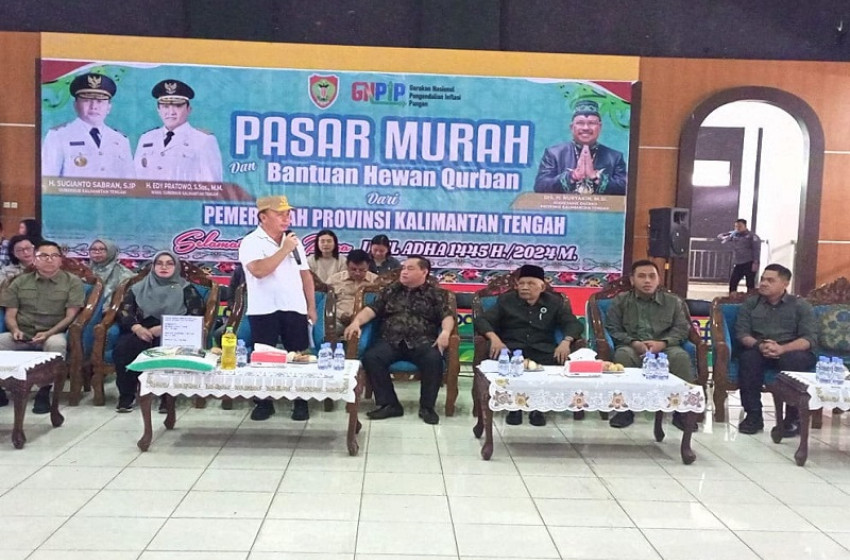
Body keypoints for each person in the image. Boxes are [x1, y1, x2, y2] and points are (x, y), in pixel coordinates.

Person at [344, 256, 455, 425]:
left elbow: (447, 316)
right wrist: (356, 322)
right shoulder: (391, 290)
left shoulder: (435, 294)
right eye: (403, 268)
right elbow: (372, 309)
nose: (404, 272)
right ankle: (390, 404)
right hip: (391, 340)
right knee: (372, 357)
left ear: (424, 272)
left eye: (410, 268)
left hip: (422, 341)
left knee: (433, 359)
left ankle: (427, 407)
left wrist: (445, 332)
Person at [475, 264, 584, 426]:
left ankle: (538, 408)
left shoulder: (554, 302)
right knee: (506, 364)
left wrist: (566, 341)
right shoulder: (506, 300)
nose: (524, 287)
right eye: (521, 283)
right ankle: (514, 407)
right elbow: (482, 320)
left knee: (552, 364)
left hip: (543, 349)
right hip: (512, 349)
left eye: (530, 283)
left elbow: (573, 324)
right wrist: (494, 338)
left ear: (542, 287)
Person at [239, 195, 317, 421]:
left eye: (288, 214)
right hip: (263, 309)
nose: (286, 218)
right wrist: (284, 249)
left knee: (299, 356)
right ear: (263, 217)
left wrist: (311, 306)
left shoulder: (293, 242)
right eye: (280, 214)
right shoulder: (251, 242)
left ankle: (300, 401)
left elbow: (305, 275)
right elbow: (259, 271)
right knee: (264, 358)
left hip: (294, 306)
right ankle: (264, 402)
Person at [112, 250, 205, 412]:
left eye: (169, 264)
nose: (164, 267)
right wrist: (137, 328)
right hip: (142, 329)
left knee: (166, 349)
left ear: (176, 267)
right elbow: (124, 311)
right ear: (153, 267)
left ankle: (167, 398)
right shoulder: (138, 288)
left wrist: (165, 328)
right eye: (159, 263)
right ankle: (126, 396)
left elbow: (196, 314)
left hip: (174, 331)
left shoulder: (186, 289)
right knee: (124, 347)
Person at [604, 259, 693, 428]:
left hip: (665, 348)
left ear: (659, 279)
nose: (647, 281)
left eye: (652, 276)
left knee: (680, 356)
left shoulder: (673, 302)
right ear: (632, 280)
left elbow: (682, 329)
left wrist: (663, 343)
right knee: (623, 355)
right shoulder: (621, 301)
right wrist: (634, 342)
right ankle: (624, 410)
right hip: (632, 347)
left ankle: (683, 412)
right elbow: (613, 328)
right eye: (642, 276)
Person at [0, 240, 84, 413]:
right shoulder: (19, 282)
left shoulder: (73, 282)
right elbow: (10, 314)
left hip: (53, 332)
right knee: (2, 341)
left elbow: (70, 316)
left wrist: (48, 333)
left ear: (60, 259)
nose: (49, 259)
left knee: (56, 345)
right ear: (35, 259)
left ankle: (44, 392)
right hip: (22, 333)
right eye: (43, 256)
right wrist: (15, 330)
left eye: (54, 256)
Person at [735, 264, 816, 436]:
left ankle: (792, 419)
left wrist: (782, 349)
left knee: (795, 360)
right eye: (763, 279)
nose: (764, 283)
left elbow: (808, 339)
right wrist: (760, 345)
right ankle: (754, 416)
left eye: (770, 280)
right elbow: (742, 334)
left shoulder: (800, 306)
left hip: (791, 350)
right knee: (748, 358)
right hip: (760, 348)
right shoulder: (751, 304)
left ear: (785, 284)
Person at [41, 72, 133, 178]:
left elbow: (130, 182)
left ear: (109, 107)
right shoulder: (58, 136)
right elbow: (47, 180)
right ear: (75, 105)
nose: (94, 107)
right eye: (86, 100)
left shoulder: (120, 140)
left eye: (100, 101)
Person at [134, 79, 223, 182]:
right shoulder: (146, 138)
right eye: (165, 106)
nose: (171, 112)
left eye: (178, 106)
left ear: (189, 109)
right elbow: (135, 179)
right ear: (158, 110)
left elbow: (213, 186)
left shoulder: (203, 140)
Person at [533, 99, 627, 195]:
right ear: (572, 127)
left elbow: (625, 189)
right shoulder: (554, 154)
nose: (586, 128)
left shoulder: (615, 157)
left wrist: (595, 177)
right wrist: (573, 176)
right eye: (580, 123)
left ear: (600, 127)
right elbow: (540, 186)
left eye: (591, 123)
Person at [327, 249, 377, 335]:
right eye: (353, 269)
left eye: (361, 270)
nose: (357, 273)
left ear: (368, 266)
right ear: (347, 265)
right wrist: (340, 315)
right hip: (338, 319)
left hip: (365, 322)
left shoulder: (376, 281)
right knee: (328, 330)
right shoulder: (334, 280)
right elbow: (325, 303)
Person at [717, 218, 761, 293]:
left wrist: (755, 262)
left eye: (740, 226)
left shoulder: (752, 236)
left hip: (749, 262)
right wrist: (726, 236)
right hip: (739, 263)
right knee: (733, 282)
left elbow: (756, 250)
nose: (738, 228)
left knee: (750, 283)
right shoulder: (734, 234)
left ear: (745, 226)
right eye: (736, 226)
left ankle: (750, 298)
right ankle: (732, 297)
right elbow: (720, 236)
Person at [88, 238, 134, 305]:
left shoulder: (123, 273)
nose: (97, 252)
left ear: (111, 251)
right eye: (93, 249)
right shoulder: (85, 270)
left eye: (102, 249)